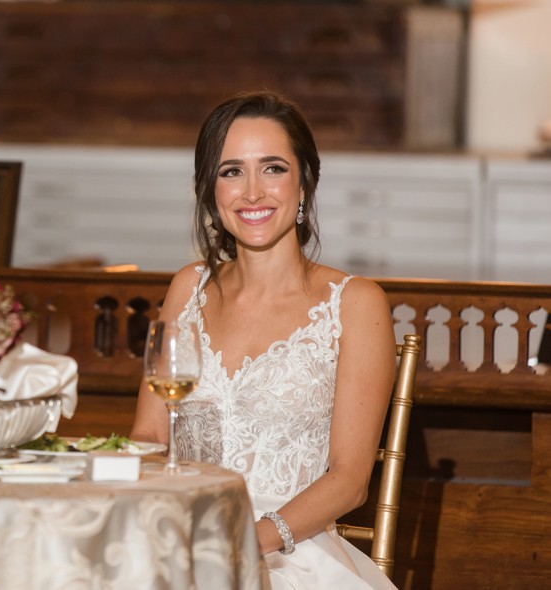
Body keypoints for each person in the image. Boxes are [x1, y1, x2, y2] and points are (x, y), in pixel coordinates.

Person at [130, 91, 398, 589]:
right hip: (180, 531)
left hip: (288, 549)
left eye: (272, 168)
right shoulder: (188, 288)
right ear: (210, 190)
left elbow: (349, 478)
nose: (252, 192)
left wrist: (248, 539)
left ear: (305, 183)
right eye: (231, 171)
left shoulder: (355, 303)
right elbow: (148, 438)